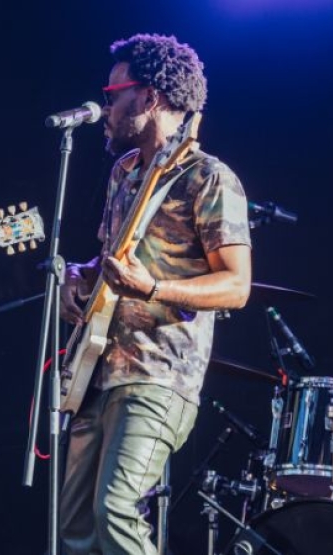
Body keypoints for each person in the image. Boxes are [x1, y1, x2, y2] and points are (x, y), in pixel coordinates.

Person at [58, 34, 252, 555]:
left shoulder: (209, 178)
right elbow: (112, 261)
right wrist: (79, 277)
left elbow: (237, 284)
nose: (105, 106)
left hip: (159, 376)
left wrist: (153, 288)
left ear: (149, 98)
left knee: (116, 510)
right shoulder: (124, 174)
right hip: (95, 371)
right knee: (75, 529)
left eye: (114, 92)